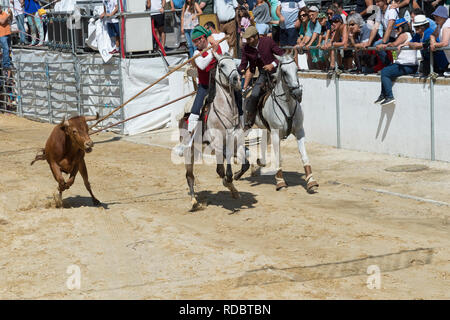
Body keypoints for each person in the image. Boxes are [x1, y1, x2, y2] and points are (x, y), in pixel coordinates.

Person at [239, 25, 284, 130]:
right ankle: (249, 120)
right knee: (254, 95)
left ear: (256, 37)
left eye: (249, 38)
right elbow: (243, 63)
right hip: (263, 74)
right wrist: (240, 70)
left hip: (277, 72)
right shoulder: (246, 48)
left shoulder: (267, 41)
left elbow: (282, 55)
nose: (248, 41)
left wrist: (272, 64)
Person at [374, 18, 418, 105]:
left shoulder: (404, 34)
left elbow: (394, 44)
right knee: (386, 70)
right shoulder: (406, 35)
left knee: (385, 72)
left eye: (397, 28)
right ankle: (383, 95)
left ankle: (389, 96)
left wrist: (383, 45)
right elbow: (395, 51)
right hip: (406, 65)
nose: (395, 30)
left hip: (407, 65)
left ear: (401, 28)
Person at [366, 0, 399, 66]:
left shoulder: (391, 10)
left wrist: (383, 43)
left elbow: (389, 27)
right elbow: (375, 27)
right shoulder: (379, 11)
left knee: (378, 45)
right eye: (376, 2)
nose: (376, 4)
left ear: (384, 1)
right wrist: (369, 42)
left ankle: (390, 65)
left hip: (397, 37)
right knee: (375, 45)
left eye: (378, 1)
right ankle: (388, 65)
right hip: (390, 37)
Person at [430, 5, 450, 74]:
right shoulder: (440, 25)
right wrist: (433, 42)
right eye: (434, 16)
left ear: (442, 17)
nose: (435, 18)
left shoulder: (447, 26)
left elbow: (445, 43)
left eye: (436, 16)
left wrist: (434, 45)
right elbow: (433, 35)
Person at [0, 7, 12, 78]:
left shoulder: (4, 13)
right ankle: (6, 65)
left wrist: (11, 13)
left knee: (8, 49)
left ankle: (8, 63)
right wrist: (8, 15)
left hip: (8, 33)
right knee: (6, 49)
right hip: (1, 35)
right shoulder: (5, 14)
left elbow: (11, 19)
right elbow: (2, 21)